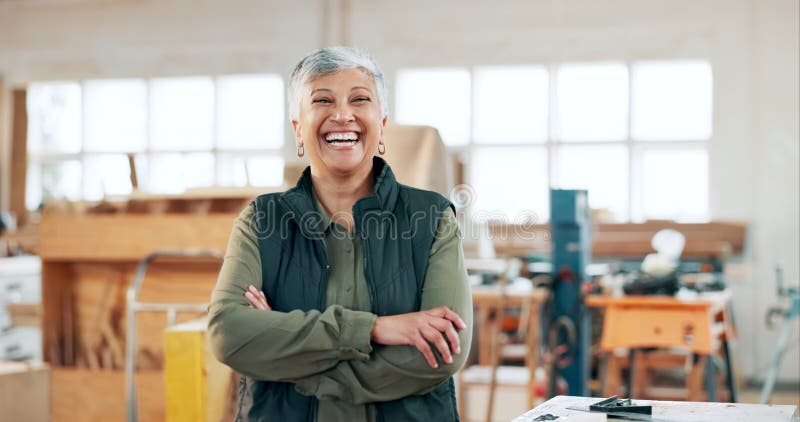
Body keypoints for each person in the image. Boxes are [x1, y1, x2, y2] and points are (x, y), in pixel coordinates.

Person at [208, 46, 472, 422]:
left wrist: (298, 366)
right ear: (298, 127)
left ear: (381, 123)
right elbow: (229, 333)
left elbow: (444, 350)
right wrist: (375, 329)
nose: (343, 114)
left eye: (359, 99)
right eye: (323, 100)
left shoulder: (431, 219)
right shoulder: (261, 221)